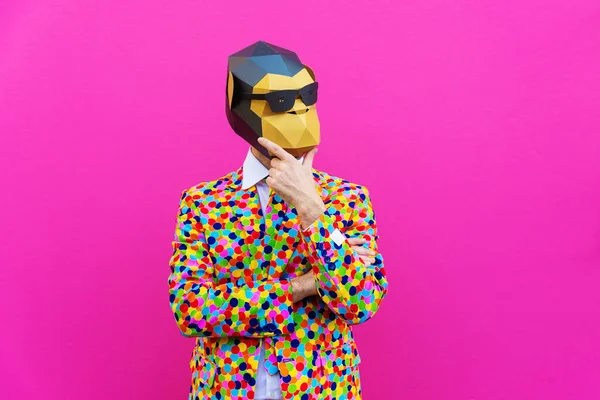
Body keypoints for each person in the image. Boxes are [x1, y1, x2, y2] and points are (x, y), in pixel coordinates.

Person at [168, 41, 388, 400]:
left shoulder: (348, 200)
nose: (299, 113)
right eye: (282, 102)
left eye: (307, 96)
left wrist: (311, 208)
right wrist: (302, 286)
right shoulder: (203, 203)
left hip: (321, 388)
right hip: (224, 389)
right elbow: (190, 309)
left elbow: (360, 302)